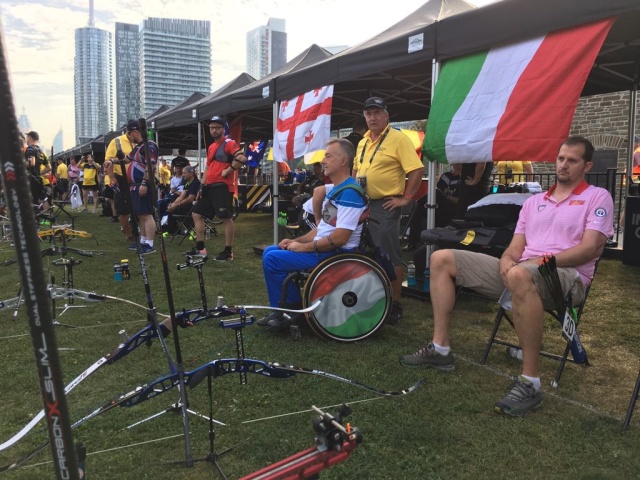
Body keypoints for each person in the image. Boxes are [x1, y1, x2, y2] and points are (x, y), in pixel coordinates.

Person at [399, 136, 614, 416]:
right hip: (521, 272)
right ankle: (440, 349)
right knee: (442, 258)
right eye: (561, 158)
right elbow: (516, 246)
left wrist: (538, 262)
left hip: (566, 278)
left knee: (522, 274)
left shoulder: (597, 197)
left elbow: (591, 248)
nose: (563, 165)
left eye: (572, 161)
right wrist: (507, 259)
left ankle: (530, 383)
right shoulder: (535, 201)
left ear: (586, 166)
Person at [258, 138, 368, 328]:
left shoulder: (350, 193)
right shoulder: (338, 190)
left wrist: (303, 248)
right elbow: (322, 228)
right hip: (326, 248)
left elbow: (341, 238)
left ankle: (292, 313)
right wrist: (296, 241)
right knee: (271, 250)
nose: (323, 161)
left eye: (328, 156)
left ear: (343, 161)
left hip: (336, 254)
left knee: (272, 259)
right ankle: (281, 310)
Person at [353, 97, 424, 323]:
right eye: (368, 114)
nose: (372, 118)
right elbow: (357, 169)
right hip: (363, 202)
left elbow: (416, 170)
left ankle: (394, 302)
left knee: (388, 251)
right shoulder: (363, 141)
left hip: (385, 204)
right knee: (363, 248)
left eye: (376, 113)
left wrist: (406, 198)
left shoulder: (398, 139)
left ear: (386, 115)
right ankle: (374, 295)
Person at [190, 115, 247, 261]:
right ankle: (200, 248)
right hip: (209, 186)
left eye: (217, 127)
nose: (214, 130)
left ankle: (228, 251)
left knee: (225, 217)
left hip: (222, 186)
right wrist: (201, 186)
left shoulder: (229, 143)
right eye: (211, 127)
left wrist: (228, 171)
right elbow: (208, 167)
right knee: (196, 213)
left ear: (223, 129)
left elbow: (241, 158)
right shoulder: (211, 147)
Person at [403, 163, 462, 251]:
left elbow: (460, 201)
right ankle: (412, 242)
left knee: (434, 194)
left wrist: (447, 197)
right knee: (420, 209)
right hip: (438, 207)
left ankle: (415, 204)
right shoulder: (445, 176)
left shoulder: (463, 179)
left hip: (452, 208)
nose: (457, 164)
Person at [125, 119, 158, 255]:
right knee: (141, 215)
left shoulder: (149, 146)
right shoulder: (138, 147)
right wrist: (112, 161)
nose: (128, 137)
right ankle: (143, 241)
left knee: (146, 214)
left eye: (129, 133)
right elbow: (127, 159)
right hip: (135, 186)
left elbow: (151, 166)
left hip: (143, 185)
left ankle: (150, 243)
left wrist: (144, 183)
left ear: (135, 132)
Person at [104, 129, 136, 248]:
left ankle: (134, 230)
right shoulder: (117, 141)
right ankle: (128, 235)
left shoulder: (137, 142)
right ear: (129, 132)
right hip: (121, 178)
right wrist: (112, 177)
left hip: (133, 179)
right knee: (123, 209)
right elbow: (108, 161)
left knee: (134, 207)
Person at [165, 165, 200, 233]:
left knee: (177, 208)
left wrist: (177, 205)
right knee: (171, 207)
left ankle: (190, 228)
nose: (183, 175)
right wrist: (173, 204)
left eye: (184, 173)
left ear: (191, 173)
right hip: (188, 204)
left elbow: (190, 198)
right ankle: (172, 230)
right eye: (183, 173)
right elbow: (182, 196)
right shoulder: (187, 183)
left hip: (194, 205)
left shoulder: (195, 183)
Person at [24, 131, 51, 213]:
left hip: (30, 179)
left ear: (30, 138)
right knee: (42, 199)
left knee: (31, 200)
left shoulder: (30, 149)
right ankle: (46, 219)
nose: (26, 139)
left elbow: (31, 162)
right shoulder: (40, 151)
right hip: (38, 179)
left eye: (27, 137)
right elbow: (48, 167)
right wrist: (39, 174)